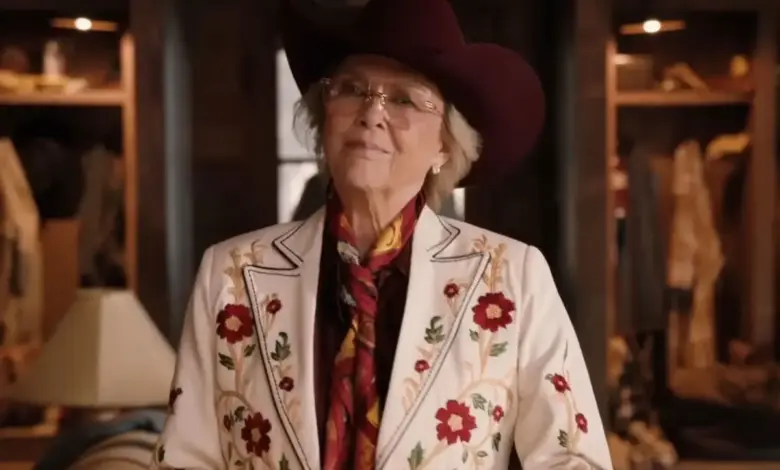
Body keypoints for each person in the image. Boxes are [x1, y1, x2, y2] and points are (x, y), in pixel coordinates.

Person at [152, 0, 613, 468]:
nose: (372, 113)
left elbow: (574, 458)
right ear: (323, 118)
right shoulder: (231, 274)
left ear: (445, 145)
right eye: (353, 89)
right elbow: (184, 460)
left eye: (405, 99)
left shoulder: (511, 277)